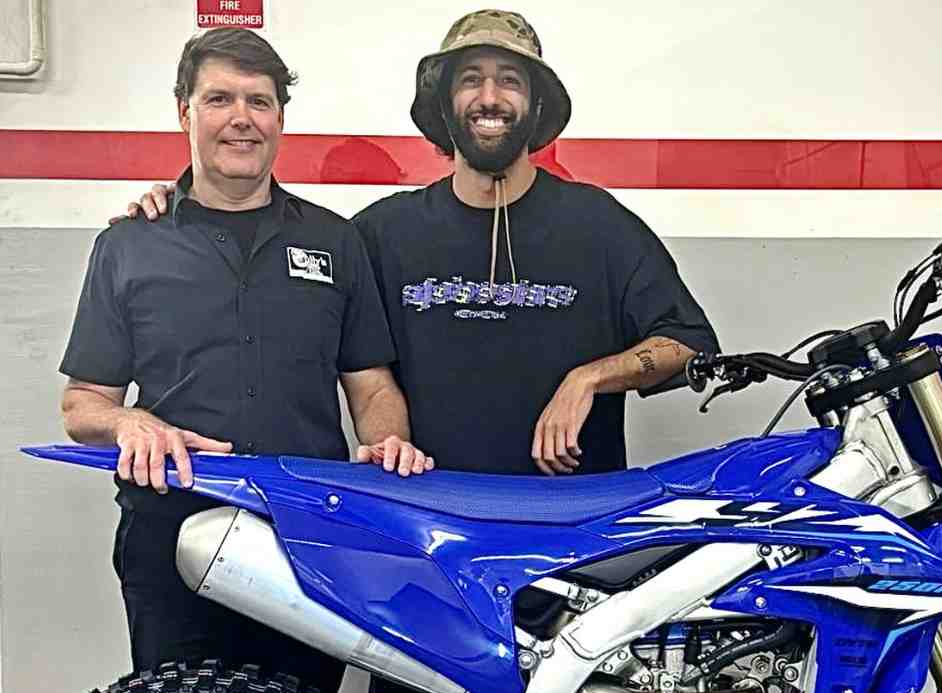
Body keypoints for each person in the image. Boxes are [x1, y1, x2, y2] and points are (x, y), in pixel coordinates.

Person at [61, 26, 431, 693]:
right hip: (171, 530)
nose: (241, 118)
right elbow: (82, 403)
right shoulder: (128, 245)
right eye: (220, 99)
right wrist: (130, 423)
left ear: (280, 119)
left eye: (259, 102)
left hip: (305, 534)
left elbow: (370, 386)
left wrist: (389, 441)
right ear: (184, 112)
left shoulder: (334, 242)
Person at [130, 9, 719, 479]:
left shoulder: (600, 224)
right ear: (445, 105)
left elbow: (688, 342)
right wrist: (183, 207)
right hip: (429, 528)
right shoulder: (379, 234)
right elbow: (300, 326)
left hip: (574, 530)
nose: (490, 97)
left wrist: (588, 379)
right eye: (471, 80)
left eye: (510, 81)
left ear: (535, 105)